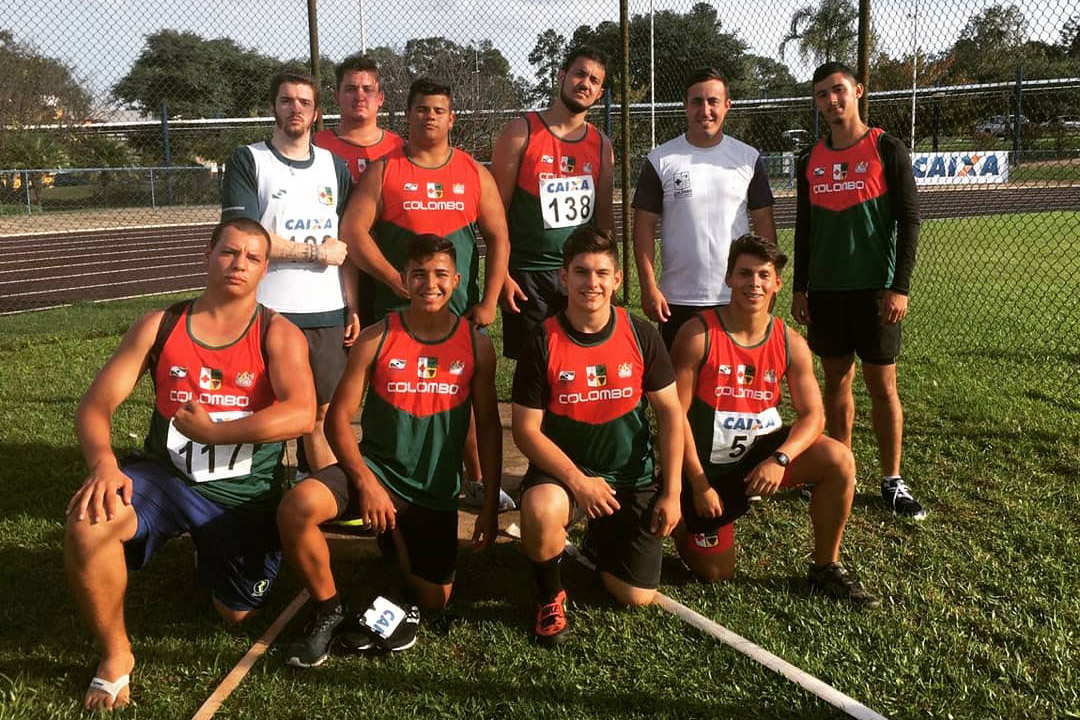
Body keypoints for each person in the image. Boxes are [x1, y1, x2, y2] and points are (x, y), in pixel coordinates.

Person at [64, 218, 316, 710]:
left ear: (265, 269)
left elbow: (302, 413)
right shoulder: (161, 325)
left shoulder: (278, 333)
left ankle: (212, 549)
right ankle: (116, 657)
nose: (238, 264)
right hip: (167, 477)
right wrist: (102, 465)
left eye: (251, 257)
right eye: (228, 252)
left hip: (241, 494)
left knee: (235, 613)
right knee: (88, 521)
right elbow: (95, 405)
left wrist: (216, 433)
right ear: (207, 255)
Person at [278, 234, 503, 667]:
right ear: (403, 279)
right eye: (419, 274)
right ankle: (328, 609)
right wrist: (365, 482)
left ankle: (393, 535)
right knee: (296, 507)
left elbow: (490, 429)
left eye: (440, 275)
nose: (429, 284)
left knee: (434, 599)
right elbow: (336, 420)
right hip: (377, 472)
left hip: (434, 490)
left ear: (456, 281)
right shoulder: (376, 338)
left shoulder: (476, 345)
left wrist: (489, 505)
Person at [670, 234, 877, 605]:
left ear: (777, 283)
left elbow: (814, 415)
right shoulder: (697, 335)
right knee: (717, 574)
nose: (754, 283)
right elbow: (674, 418)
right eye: (745, 273)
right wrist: (699, 485)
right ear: (728, 278)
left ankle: (825, 567)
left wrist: (780, 459)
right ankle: (684, 522)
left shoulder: (789, 341)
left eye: (764, 275)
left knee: (839, 459)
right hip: (709, 471)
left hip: (763, 456)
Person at [341, 77, 512, 510]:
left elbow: (499, 238)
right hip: (400, 307)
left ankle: (473, 479)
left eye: (438, 110)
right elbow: (352, 233)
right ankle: (393, 480)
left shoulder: (474, 172)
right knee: (399, 395)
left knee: (464, 395)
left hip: (457, 310)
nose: (429, 116)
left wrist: (489, 300)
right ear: (408, 116)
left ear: (451, 118)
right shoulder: (385, 169)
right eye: (421, 109)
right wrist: (392, 278)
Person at [512, 227, 683, 647]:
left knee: (635, 597)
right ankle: (549, 596)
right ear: (563, 277)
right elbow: (525, 431)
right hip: (567, 478)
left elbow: (671, 413)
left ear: (617, 279)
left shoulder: (641, 333)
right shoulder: (542, 340)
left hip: (630, 476)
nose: (593, 283)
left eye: (602, 273)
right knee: (540, 507)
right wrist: (578, 481)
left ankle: (598, 539)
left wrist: (672, 491)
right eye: (582, 272)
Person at [791, 62, 924, 519]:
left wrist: (899, 287)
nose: (831, 100)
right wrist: (800, 288)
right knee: (835, 382)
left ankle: (892, 479)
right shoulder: (809, 159)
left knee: (882, 385)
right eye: (822, 94)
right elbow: (804, 231)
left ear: (858, 91)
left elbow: (910, 221)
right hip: (826, 292)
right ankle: (839, 467)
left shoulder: (886, 148)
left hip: (875, 291)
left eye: (839, 90)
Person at [221, 68, 358, 475]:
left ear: (317, 113)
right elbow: (247, 236)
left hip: (326, 311)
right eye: (286, 100)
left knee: (321, 415)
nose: (295, 108)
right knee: (262, 411)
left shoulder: (335, 167)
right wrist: (315, 252)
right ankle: (255, 499)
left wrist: (351, 304)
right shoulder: (249, 160)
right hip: (267, 311)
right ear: (273, 108)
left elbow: (344, 246)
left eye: (304, 102)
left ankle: (312, 486)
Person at [632, 67, 777, 349]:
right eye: (697, 101)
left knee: (734, 387)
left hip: (738, 293)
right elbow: (644, 227)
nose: (705, 110)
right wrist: (649, 287)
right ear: (685, 106)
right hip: (679, 298)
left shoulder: (747, 158)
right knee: (680, 389)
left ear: (727, 106)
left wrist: (769, 279)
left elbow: (764, 223)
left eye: (713, 101)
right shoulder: (660, 159)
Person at [490, 45, 614, 359]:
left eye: (594, 80)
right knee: (533, 366)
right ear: (561, 76)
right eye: (579, 74)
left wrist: (608, 273)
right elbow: (495, 213)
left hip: (580, 273)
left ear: (599, 93)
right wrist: (500, 273)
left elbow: (604, 220)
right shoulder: (522, 132)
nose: (585, 83)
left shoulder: (601, 145)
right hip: (528, 275)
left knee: (578, 360)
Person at [315, 54, 405, 328]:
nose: (359, 96)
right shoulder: (316, 147)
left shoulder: (400, 149)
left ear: (381, 99)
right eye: (351, 89)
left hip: (387, 264)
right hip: (333, 267)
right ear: (336, 95)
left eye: (368, 89)